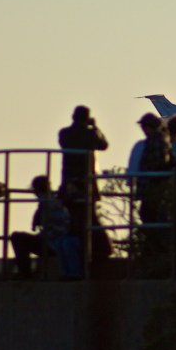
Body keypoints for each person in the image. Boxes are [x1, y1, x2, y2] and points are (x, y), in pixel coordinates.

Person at [58, 105, 110, 260]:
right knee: (89, 218)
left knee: (73, 219)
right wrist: (95, 127)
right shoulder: (90, 134)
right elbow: (103, 145)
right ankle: (100, 250)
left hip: (69, 182)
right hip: (85, 182)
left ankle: (83, 252)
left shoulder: (64, 133)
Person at [10, 175, 80, 279]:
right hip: (53, 242)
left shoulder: (51, 203)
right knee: (19, 237)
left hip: (53, 244)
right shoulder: (49, 202)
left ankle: (25, 272)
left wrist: (43, 236)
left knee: (17, 238)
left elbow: (60, 228)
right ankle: (24, 271)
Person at [135, 113, 176, 254]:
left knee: (150, 216)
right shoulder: (162, 140)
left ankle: (156, 249)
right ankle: (156, 248)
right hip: (154, 185)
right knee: (152, 216)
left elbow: (155, 163)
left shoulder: (156, 141)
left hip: (153, 186)